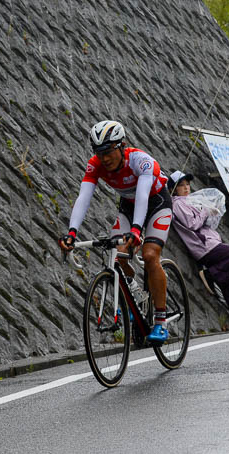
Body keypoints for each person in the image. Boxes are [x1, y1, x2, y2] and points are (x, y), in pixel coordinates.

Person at [58, 120, 173, 344]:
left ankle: (160, 321)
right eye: (99, 152)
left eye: (109, 151)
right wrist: (72, 233)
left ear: (122, 145)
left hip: (157, 202)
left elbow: (142, 196)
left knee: (149, 255)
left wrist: (137, 230)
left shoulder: (141, 161)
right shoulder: (96, 164)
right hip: (128, 207)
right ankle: (134, 297)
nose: (105, 158)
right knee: (116, 255)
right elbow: (84, 197)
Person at [169, 170, 229, 330]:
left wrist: (210, 212)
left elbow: (201, 221)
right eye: (181, 185)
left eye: (188, 184)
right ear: (174, 189)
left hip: (209, 244)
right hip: (205, 247)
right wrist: (205, 211)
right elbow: (192, 224)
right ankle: (210, 274)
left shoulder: (188, 201)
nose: (186, 188)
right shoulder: (178, 203)